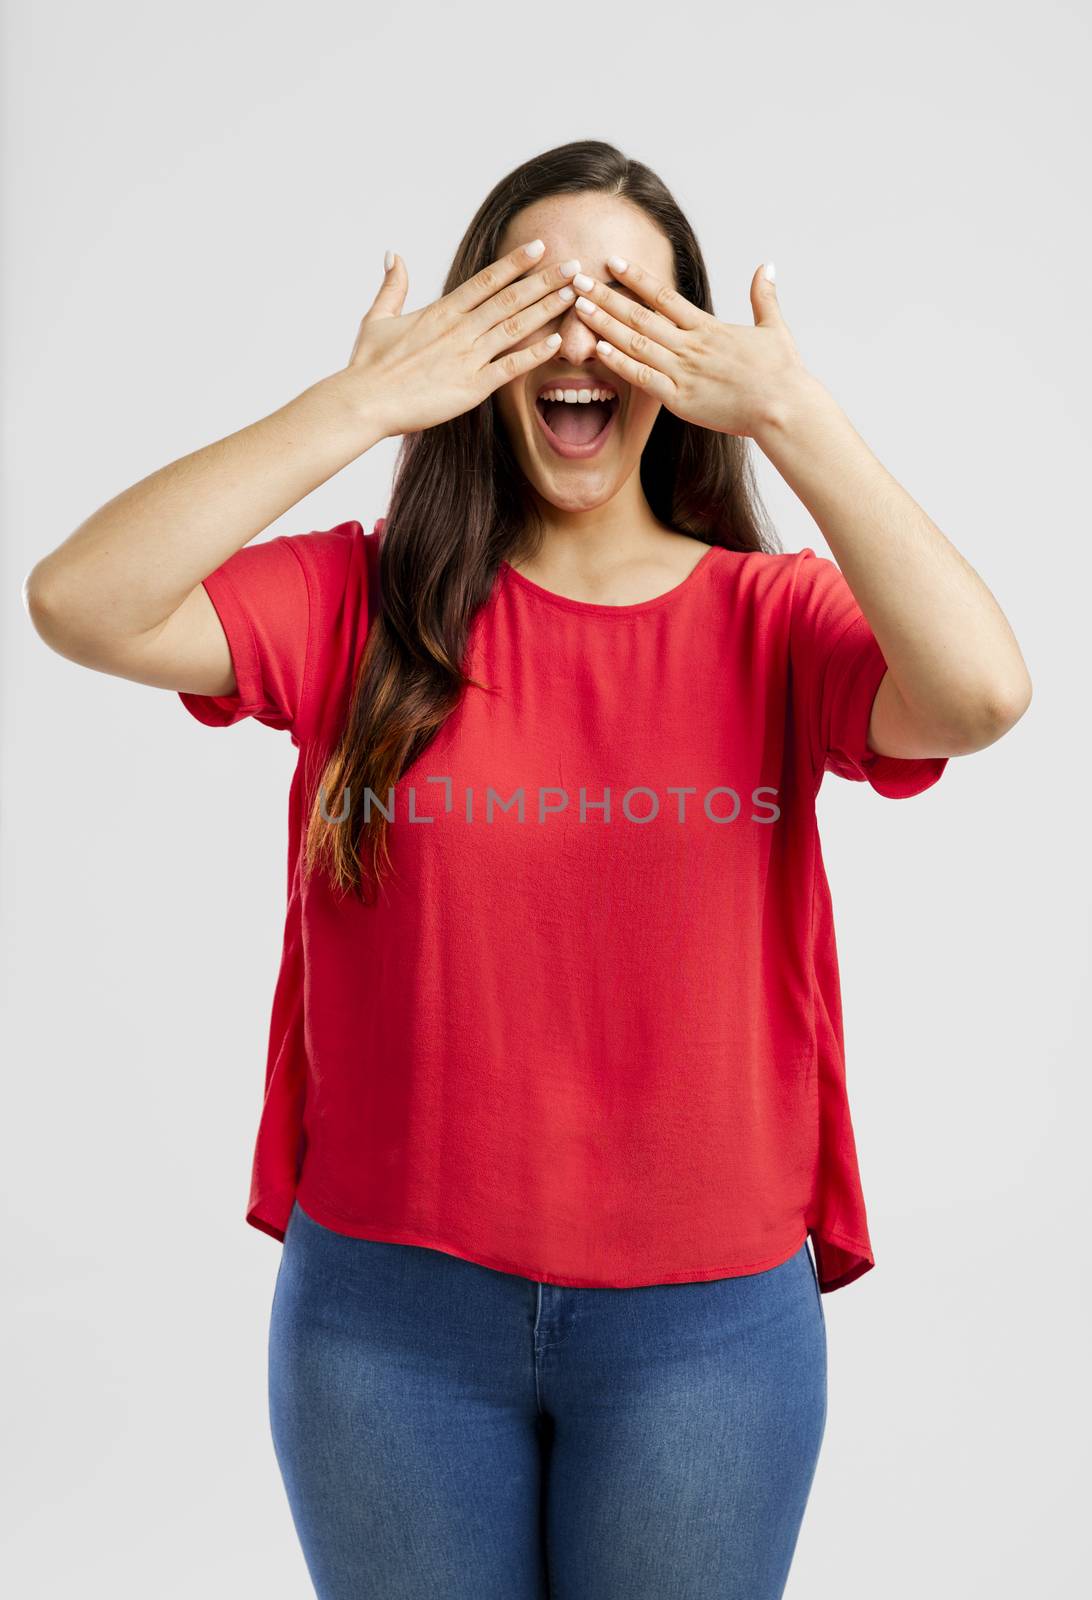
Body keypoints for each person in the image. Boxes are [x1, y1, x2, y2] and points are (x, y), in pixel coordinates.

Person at [23, 140, 1032, 1600]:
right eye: (532, 294)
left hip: (707, 1332)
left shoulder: (774, 621)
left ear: (685, 354)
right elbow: (79, 600)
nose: (579, 337)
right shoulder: (360, 603)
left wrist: (798, 414)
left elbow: (986, 695)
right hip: (385, 1320)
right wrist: (357, 406)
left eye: (626, 300)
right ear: (468, 337)